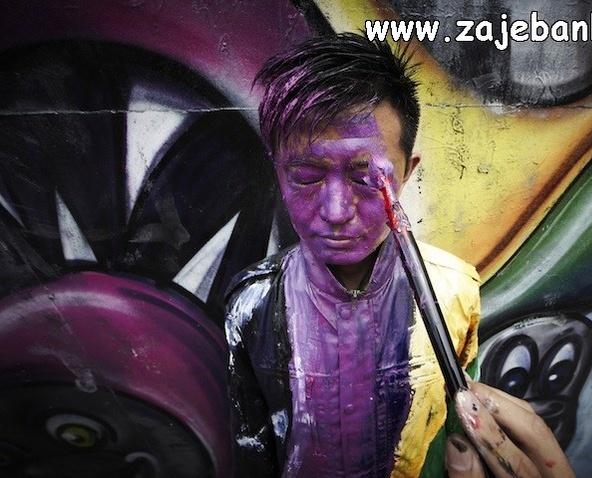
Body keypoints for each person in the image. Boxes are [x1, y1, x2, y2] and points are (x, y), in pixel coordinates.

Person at [224, 32, 574, 478]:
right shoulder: (252, 304)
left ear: (408, 171)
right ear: (277, 172)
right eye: (307, 177)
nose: (336, 211)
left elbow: (454, 436)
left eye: (365, 177)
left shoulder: (453, 290)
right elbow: (251, 450)